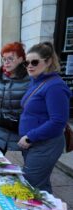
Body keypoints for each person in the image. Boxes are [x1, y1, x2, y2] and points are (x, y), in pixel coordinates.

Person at [17, 42, 71, 193]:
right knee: (40, 184)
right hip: (34, 143)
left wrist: (30, 137)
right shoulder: (36, 82)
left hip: (45, 144)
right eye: (27, 62)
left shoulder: (55, 86)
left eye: (34, 62)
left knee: (32, 186)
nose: (29, 66)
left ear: (48, 62)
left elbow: (58, 122)